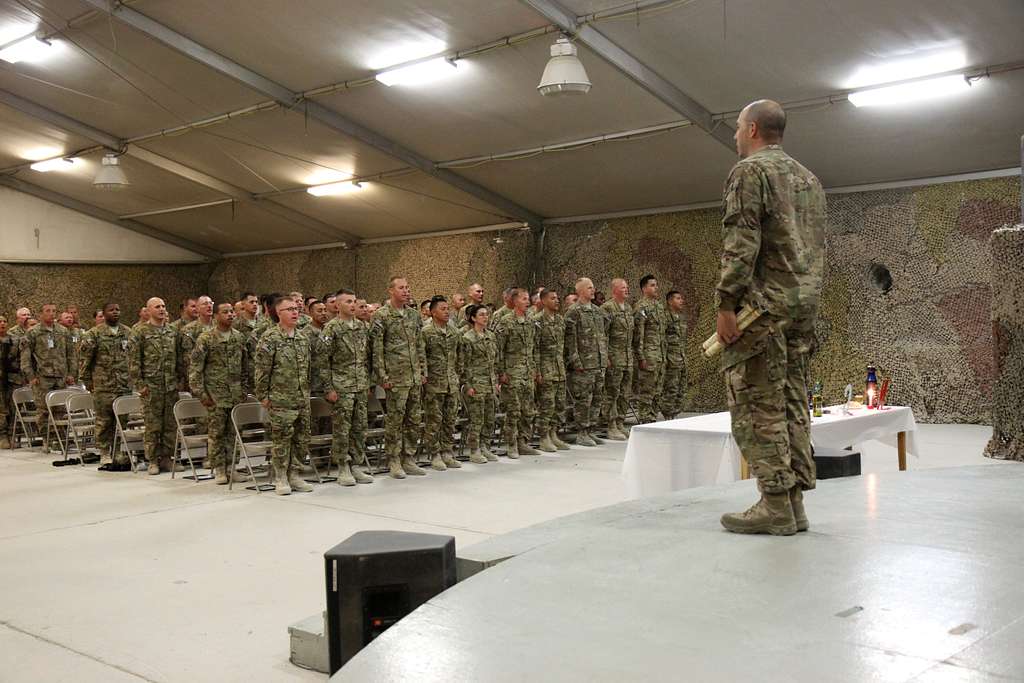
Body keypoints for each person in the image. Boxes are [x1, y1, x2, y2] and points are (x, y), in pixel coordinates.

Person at [715, 99, 826, 536]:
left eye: (739, 127)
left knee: (755, 401)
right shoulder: (809, 179)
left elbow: (741, 242)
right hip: (802, 306)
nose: (736, 134)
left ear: (755, 128)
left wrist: (726, 303)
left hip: (762, 309)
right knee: (792, 402)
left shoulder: (750, 172)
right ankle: (794, 503)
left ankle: (775, 504)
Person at [254, 297, 315, 495]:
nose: (295, 312)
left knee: (302, 438)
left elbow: (307, 369)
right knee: (282, 439)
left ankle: (295, 474)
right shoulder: (270, 338)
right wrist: (263, 395)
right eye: (289, 309)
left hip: (301, 397)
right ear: (279, 313)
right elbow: (262, 370)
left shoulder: (303, 337)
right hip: (280, 399)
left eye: (296, 309)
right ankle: (281, 476)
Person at [369, 277, 428, 478]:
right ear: (390, 291)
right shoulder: (381, 316)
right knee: (395, 421)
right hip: (395, 378)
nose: (406, 291)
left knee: (414, 419)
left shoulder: (413, 315)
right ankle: (394, 459)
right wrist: (382, 375)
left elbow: (419, 345)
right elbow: (376, 350)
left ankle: (409, 457)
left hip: (413, 377)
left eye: (407, 288)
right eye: (401, 288)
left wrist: (423, 371)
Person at [189, 302, 250, 484]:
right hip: (215, 394)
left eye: (232, 312)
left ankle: (232, 468)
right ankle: (219, 469)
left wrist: (244, 389)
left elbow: (245, 366)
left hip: (235, 394)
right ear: (216, 316)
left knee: (233, 433)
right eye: (225, 312)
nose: (230, 315)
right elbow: (195, 368)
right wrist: (201, 393)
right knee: (217, 433)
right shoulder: (206, 338)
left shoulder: (239, 338)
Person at [323, 290, 374, 486]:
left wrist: (368, 382)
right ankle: (343, 466)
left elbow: (367, 357)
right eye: (348, 302)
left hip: (360, 384)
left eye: (354, 301)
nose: (352, 305)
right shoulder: (332, 328)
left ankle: (356, 465)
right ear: (337, 305)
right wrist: (329, 388)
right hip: (341, 385)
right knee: (342, 429)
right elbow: (323, 361)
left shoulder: (362, 327)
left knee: (360, 427)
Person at [129, 298, 182, 474]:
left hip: (170, 386)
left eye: (163, 306)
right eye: (157, 307)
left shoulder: (172, 331)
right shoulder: (140, 332)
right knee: (153, 425)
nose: (161, 309)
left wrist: (180, 379)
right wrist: (139, 384)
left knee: (170, 425)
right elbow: (134, 360)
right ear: (149, 310)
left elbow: (179, 358)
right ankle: (152, 460)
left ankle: (167, 458)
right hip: (151, 386)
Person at [79, 303, 132, 470]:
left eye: (117, 309)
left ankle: (118, 450)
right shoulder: (94, 334)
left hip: (123, 384)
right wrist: (87, 381)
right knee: (104, 421)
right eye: (111, 310)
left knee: (121, 420)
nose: (115, 312)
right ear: (104, 313)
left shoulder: (127, 332)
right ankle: (104, 452)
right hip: (103, 384)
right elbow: (85, 360)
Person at [20, 303, 75, 448]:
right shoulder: (33, 332)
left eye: (54, 311)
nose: (52, 313)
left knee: (61, 408)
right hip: (42, 377)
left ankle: (60, 438)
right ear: (41, 314)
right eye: (48, 311)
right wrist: (31, 376)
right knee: (44, 410)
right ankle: (47, 439)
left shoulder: (63, 331)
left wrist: (71, 373)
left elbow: (71, 355)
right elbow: (25, 357)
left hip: (61, 376)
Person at [563, 279, 609, 447]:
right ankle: (581, 432)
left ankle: (590, 429)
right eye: (589, 288)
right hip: (583, 365)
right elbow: (570, 340)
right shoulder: (573, 312)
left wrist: (604, 357)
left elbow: (603, 336)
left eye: (593, 287)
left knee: (597, 399)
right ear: (580, 291)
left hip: (598, 362)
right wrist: (575, 361)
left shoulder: (598, 312)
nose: (593, 290)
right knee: (583, 400)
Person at [495, 288, 538, 458]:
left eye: (528, 299)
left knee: (528, 411)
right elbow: (499, 349)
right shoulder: (506, 321)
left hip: (527, 373)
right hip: (512, 374)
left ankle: (523, 441)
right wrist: (501, 372)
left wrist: (534, 368)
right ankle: (511, 444)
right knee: (513, 411)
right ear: (514, 301)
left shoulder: (530, 321)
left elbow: (532, 348)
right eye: (524, 299)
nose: (527, 302)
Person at [421, 296, 462, 470]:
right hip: (434, 384)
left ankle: (447, 450)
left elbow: (459, 355)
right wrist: (424, 376)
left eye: (448, 309)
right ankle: (435, 453)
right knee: (434, 421)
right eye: (443, 309)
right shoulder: (426, 332)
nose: (447, 312)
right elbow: (421, 356)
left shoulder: (454, 332)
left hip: (451, 382)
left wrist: (458, 375)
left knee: (450, 419)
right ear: (433, 312)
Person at [457, 305, 498, 464]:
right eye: (481, 315)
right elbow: (463, 364)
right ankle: (474, 450)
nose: (485, 317)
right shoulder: (468, 338)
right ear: (473, 318)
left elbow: (494, 361)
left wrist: (495, 381)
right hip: (475, 383)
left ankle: (485, 446)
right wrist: (467, 385)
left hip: (489, 382)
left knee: (489, 418)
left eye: (487, 315)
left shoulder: (491, 336)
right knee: (477, 419)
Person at [534, 289, 570, 452]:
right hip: (546, 368)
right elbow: (534, 348)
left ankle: (554, 433)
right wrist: (537, 371)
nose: (557, 301)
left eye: (557, 298)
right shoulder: (537, 321)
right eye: (552, 298)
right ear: (543, 301)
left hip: (559, 368)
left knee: (559, 404)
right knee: (547, 405)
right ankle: (543, 437)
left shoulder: (560, 320)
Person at [600, 278, 633, 440]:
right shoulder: (607, 308)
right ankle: (610, 425)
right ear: (614, 290)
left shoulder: (627, 308)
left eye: (627, 287)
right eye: (623, 287)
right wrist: (605, 356)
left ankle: (620, 421)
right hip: (614, 357)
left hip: (627, 358)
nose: (627, 290)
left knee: (625, 392)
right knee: (612, 392)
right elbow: (603, 335)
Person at [633, 275, 666, 424]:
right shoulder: (641, 307)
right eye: (652, 285)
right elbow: (638, 334)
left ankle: (653, 417)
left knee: (657, 390)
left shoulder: (659, 306)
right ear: (644, 288)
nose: (656, 288)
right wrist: (641, 357)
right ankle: (645, 419)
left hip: (660, 355)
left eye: (656, 285)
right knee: (647, 390)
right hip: (648, 355)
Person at [661, 290, 688, 420]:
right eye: (678, 298)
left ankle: (674, 414)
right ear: (670, 301)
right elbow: (661, 339)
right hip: (670, 359)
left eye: (681, 298)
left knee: (681, 389)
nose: (681, 300)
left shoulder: (681, 318)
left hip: (681, 358)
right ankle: (667, 416)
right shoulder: (665, 317)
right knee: (670, 388)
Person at [303, 300, 331, 399]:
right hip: (315, 384)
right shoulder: (305, 334)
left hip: (331, 382)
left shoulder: (330, 330)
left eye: (325, 310)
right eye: (319, 311)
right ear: (310, 313)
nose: (323, 313)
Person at [0, 315, 13, 448]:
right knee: (1, 408)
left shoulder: (13, 339)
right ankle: (2, 436)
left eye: (4, 321)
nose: (2, 323)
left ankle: (11, 433)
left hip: (11, 378)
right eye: (0, 321)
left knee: (11, 407)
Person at [58, 310, 81, 383]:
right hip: (62, 367)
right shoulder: (57, 332)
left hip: (75, 366)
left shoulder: (77, 332)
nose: (69, 319)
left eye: (71, 317)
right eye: (66, 317)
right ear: (60, 320)